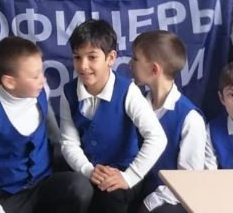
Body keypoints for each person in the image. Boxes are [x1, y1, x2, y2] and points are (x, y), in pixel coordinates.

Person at [0, 36, 93, 213]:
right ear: (9, 82)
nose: (43, 80)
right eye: (35, 76)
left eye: (41, 71)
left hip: (43, 184)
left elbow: (55, 137)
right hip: (8, 196)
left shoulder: (41, 91)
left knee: (80, 187)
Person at [59, 20, 166, 213]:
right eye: (77, 57)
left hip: (123, 171)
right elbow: (69, 143)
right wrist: (88, 170)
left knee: (110, 194)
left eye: (92, 57)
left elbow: (157, 138)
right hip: (88, 170)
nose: (83, 66)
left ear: (111, 58)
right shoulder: (68, 93)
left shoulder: (127, 91)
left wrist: (129, 177)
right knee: (74, 189)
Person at [130, 31, 205, 213]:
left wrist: (149, 203)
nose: (130, 64)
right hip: (134, 191)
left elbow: (187, 182)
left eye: (135, 59)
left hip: (166, 201)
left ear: (154, 70)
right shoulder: (135, 104)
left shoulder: (190, 118)